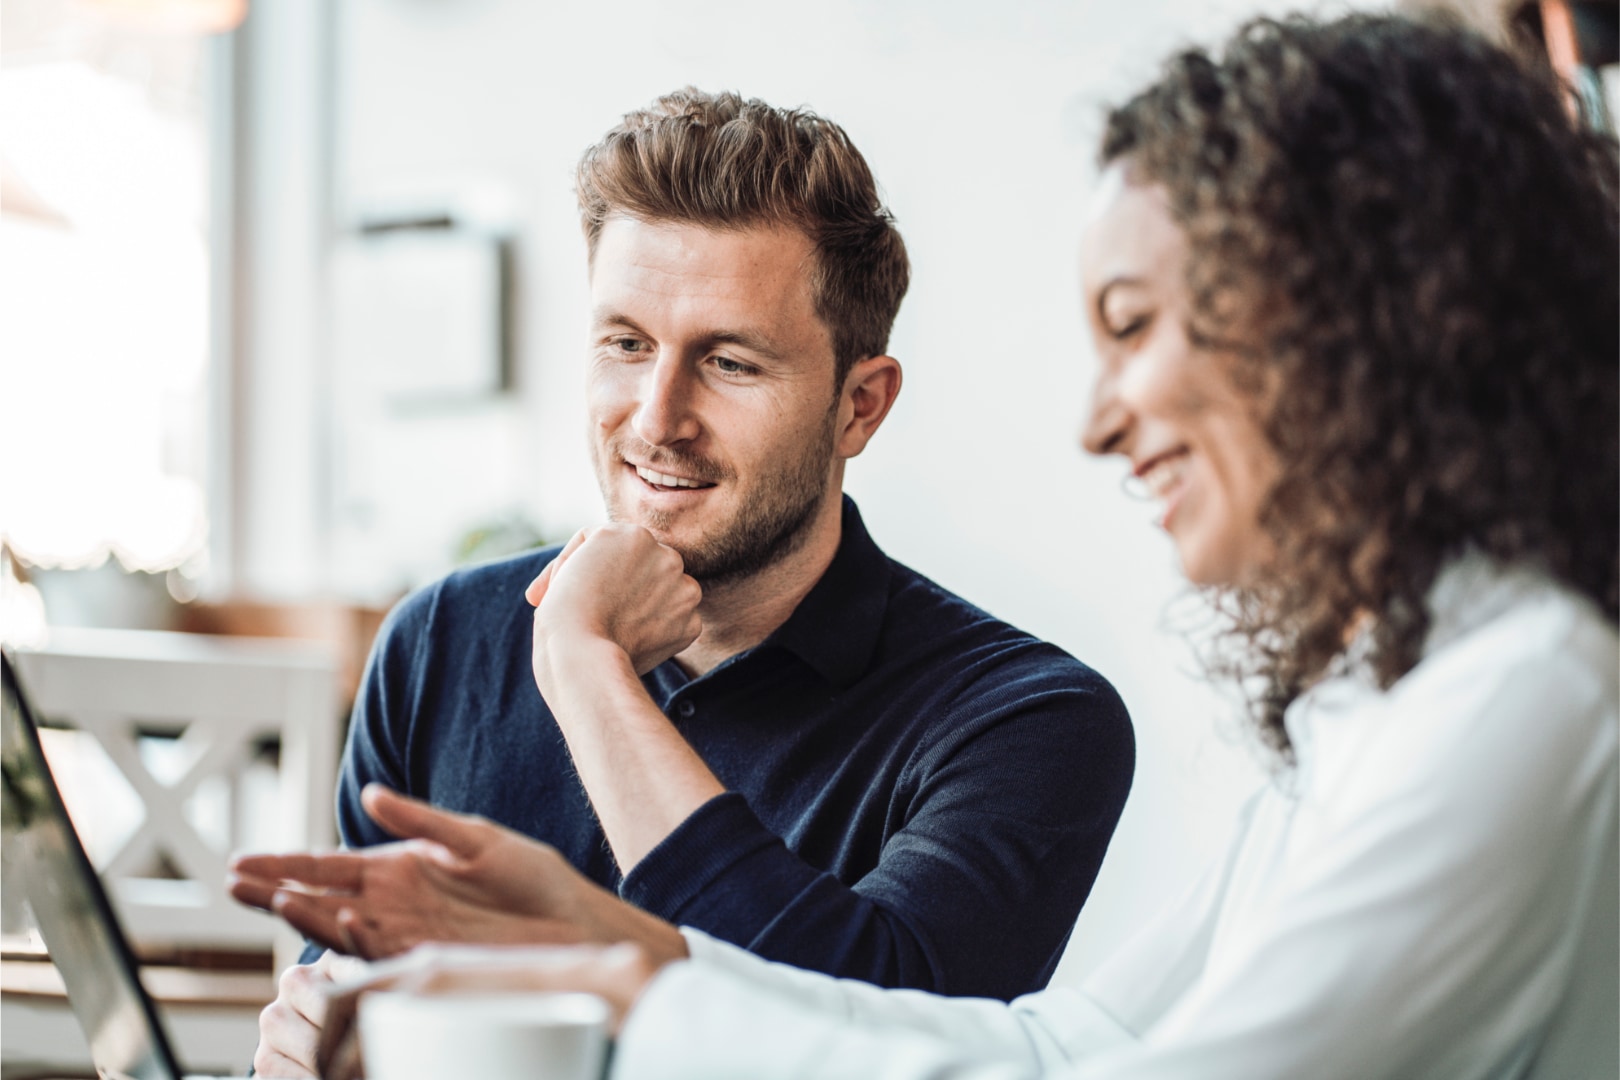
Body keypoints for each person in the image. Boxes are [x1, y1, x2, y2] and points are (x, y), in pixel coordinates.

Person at [299, 12, 1619, 1079]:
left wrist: (631, 985)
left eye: (1138, 323)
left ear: (1352, 327)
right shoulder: (1377, 687)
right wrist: (626, 964)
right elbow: (1073, 1047)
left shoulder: (1523, 692)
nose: (1097, 424)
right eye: (625, 344)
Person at [232, 89, 1135, 1077]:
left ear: (859, 407)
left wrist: (588, 673)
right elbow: (345, 999)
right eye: (625, 344)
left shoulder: (1028, 721)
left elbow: (876, 1036)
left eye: (730, 362)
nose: (658, 418)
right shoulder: (442, 640)